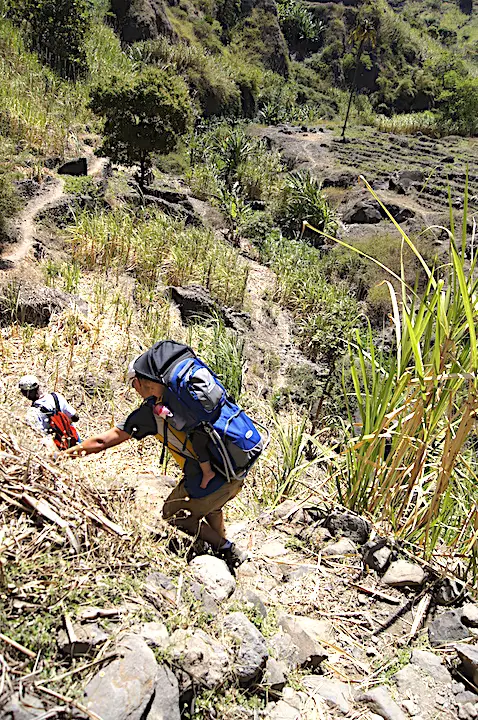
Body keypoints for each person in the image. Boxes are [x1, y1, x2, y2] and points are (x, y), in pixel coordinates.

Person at [64, 355, 247, 571]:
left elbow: (103, 441)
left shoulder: (152, 413)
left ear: (142, 381)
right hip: (234, 470)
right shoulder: (186, 400)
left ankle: (227, 548)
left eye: (133, 384)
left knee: (174, 514)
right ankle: (221, 547)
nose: (133, 389)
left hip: (209, 480)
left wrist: (65, 455)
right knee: (211, 506)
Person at [18, 375, 80, 442]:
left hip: (56, 446)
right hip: (73, 438)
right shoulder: (56, 396)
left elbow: (39, 437)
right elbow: (75, 417)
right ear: (38, 387)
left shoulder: (32, 413)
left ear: (25, 393)